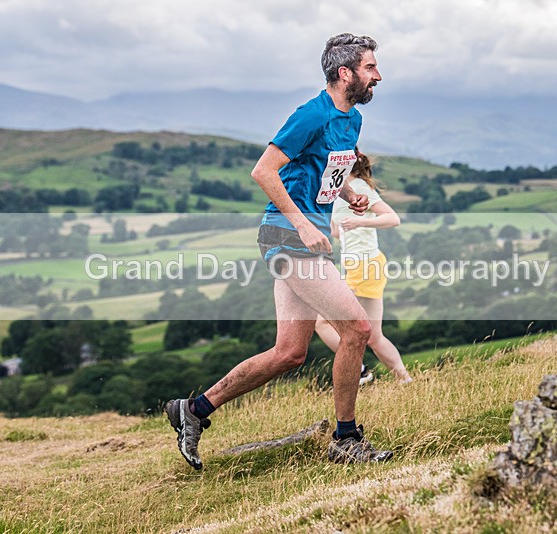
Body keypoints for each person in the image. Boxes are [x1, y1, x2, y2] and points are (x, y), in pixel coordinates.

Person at [165, 33, 392, 469]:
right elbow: (264, 171)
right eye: (370, 67)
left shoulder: (351, 120)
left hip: (304, 239)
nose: (377, 76)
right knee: (358, 330)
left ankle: (193, 410)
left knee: (289, 353)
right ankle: (346, 440)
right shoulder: (311, 115)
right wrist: (304, 224)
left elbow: (329, 167)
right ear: (345, 73)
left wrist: (349, 194)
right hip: (288, 237)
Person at [315, 150, 413, 384]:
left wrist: (360, 221)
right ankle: (405, 381)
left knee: (322, 322)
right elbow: (338, 231)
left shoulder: (359, 187)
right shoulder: (339, 191)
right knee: (374, 337)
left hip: (364, 266)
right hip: (362, 265)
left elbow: (393, 218)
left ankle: (359, 369)